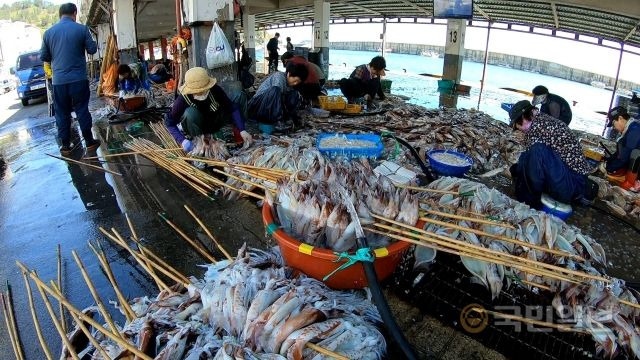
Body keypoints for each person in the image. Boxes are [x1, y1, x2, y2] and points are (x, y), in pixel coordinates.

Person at [508, 100, 596, 209]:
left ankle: (530, 202)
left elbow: (535, 165)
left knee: (536, 152)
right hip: (573, 179)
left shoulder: (538, 128)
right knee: (526, 157)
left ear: (524, 118)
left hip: (573, 186)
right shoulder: (541, 120)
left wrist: (526, 200)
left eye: (517, 125)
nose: (518, 129)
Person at [40, 3, 98, 155]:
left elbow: (44, 56)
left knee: (62, 113)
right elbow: (92, 49)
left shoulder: (48, 33)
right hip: (78, 79)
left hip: (59, 81)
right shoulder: (81, 29)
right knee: (82, 110)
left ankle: (65, 145)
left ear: (60, 15)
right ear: (74, 13)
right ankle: (90, 142)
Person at [165, 67, 252, 151]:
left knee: (239, 96)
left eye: (203, 90)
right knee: (189, 113)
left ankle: (238, 136)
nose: (201, 93)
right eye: (197, 91)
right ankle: (199, 143)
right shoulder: (182, 100)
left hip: (215, 121)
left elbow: (231, 107)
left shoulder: (215, 90)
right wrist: (182, 141)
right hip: (198, 127)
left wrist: (242, 129)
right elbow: (170, 123)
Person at [247, 63, 308, 134]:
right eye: (295, 80)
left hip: (268, 110)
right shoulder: (279, 76)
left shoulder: (291, 86)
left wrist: (294, 118)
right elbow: (277, 98)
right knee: (275, 90)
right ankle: (278, 121)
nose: (295, 83)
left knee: (295, 94)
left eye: (298, 82)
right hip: (256, 106)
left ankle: (286, 120)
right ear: (289, 74)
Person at [601, 106, 640, 188]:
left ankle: (632, 183)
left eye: (613, 123)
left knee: (634, 154)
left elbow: (624, 158)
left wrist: (608, 168)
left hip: (637, 168)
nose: (614, 127)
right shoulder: (631, 127)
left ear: (620, 118)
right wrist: (607, 160)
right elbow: (620, 154)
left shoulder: (634, 131)